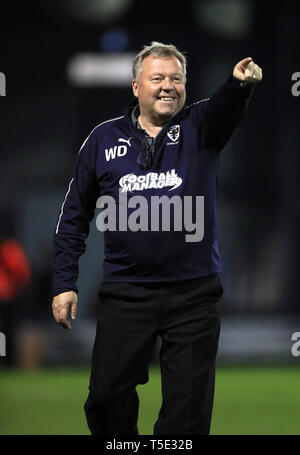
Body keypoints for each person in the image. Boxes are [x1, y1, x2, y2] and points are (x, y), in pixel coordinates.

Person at [52, 42, 262, 435]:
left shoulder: (201, 126)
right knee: (105, 400)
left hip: (194, 295)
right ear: (136, 87)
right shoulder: (102, 140)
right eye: (158, 79)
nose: (168, 86)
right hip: (126, 292)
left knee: (187, 417)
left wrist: (238, 86)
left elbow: (225, 107)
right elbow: (73, 216)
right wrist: (64, 282)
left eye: (176, 79)